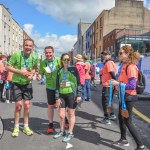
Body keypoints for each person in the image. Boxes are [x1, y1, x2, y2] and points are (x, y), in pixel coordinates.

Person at [111, 45, 148, 150]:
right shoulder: (124, 65)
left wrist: (117, 84)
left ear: (127, 54)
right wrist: (116, 82)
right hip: (124, 96)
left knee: (127, 120)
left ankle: (141, 146)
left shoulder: (131, 67)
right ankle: (123, 139)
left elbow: (132, 85)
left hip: (129, 97)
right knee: (121, 118)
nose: (119, 54)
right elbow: (124, 81)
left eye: (121, 53)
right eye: (119, 53)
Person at [6, 39, 38, 137]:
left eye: (30, 46)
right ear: (23, 46)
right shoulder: (16, 55)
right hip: (17, 83)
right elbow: (7, 66)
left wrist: (32, 75)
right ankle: (16, 126)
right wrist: (20, 72)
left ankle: (26, 126)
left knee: (27, 105)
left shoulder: (34, 57)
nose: (28, 47)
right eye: (26, 45)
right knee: (18, 106)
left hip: (27, 83)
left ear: (32, 47)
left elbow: (34, 68)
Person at [36, 46, 69, 133]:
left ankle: (64, 118)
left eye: (50, 52)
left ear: (53, 53)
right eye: (46, 53)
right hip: (50, 87)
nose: (48, 54)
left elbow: (66, 69)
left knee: (61, 106)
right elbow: (41, 74)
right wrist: (39, 77)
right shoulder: (43, 63)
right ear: (44, 53)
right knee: (50, 106)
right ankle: (50, 124)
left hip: (60, 87)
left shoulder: (59, 60)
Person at [53, 53, 81, 142]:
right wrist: (57, 97)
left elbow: (79, 83)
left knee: (71, 114)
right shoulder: (59, 71)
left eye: (68, 59)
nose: (66, 61)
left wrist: (79, 94)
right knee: (61, 115)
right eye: (65, 59)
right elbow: (57, 85)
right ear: (62, 60)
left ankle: (70, 133)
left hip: (71, 94)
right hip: (61, 94)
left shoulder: (74, 69)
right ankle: (62, 131)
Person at [100, 50, 117, 124]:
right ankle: (112, 114)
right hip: (109, 85)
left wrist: (116, 82)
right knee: (109, 101)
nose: (104, 56)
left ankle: (107, 118)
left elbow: (112, 73)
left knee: (105, 102)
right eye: (103, 54)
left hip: (108, 85)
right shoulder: (108, 63)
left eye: (105, 54)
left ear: (110, 55)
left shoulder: (109, 63)